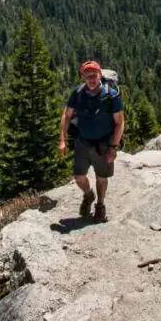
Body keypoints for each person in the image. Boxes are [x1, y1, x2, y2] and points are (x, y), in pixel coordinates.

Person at [59, 60, 124, 222]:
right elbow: (66, 116)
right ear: (83, 77)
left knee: (101, 177)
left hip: (104, 142)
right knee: (79, 176)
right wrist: (62, 140)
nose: (92, 79)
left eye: (94, 75)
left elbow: (119, 122)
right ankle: (89, 194)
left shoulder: (111, 96)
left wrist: (113, 147)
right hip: (83, 141)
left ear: (100, 75)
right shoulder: (78, 93)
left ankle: (100, 206)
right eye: (88, 76)